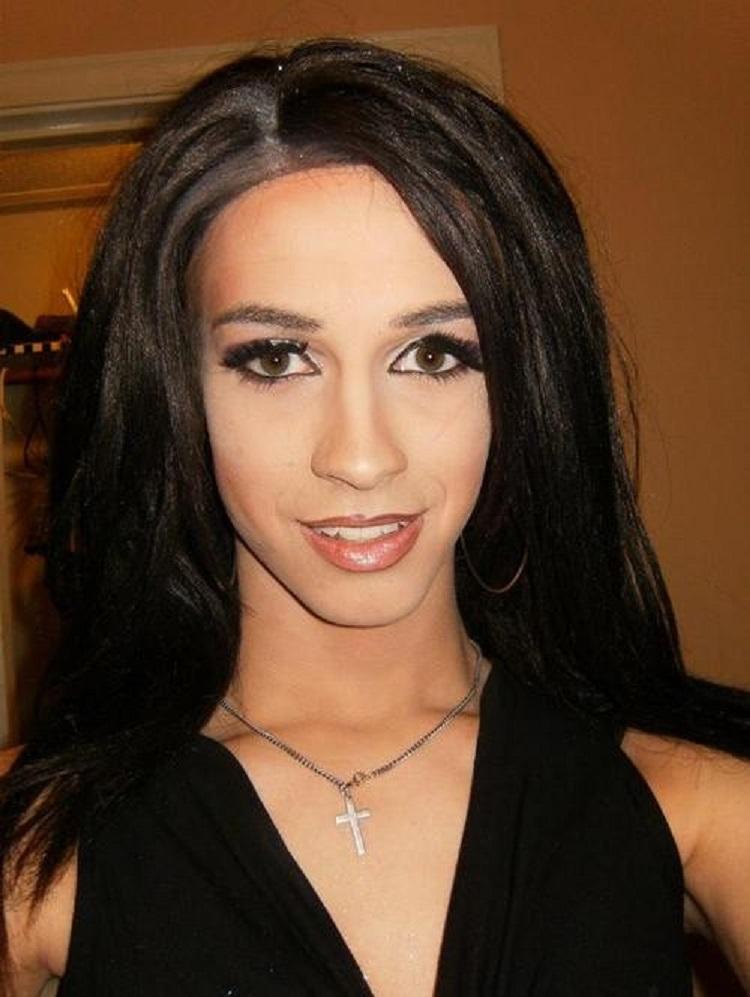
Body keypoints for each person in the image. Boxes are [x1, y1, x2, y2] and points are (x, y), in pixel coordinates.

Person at [1, 36, 748, 997]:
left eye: (433, 355)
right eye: (277, 358)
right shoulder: (37, 851)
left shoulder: (694, 806)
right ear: (174, 392)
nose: (359, 457)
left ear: (522, 386)